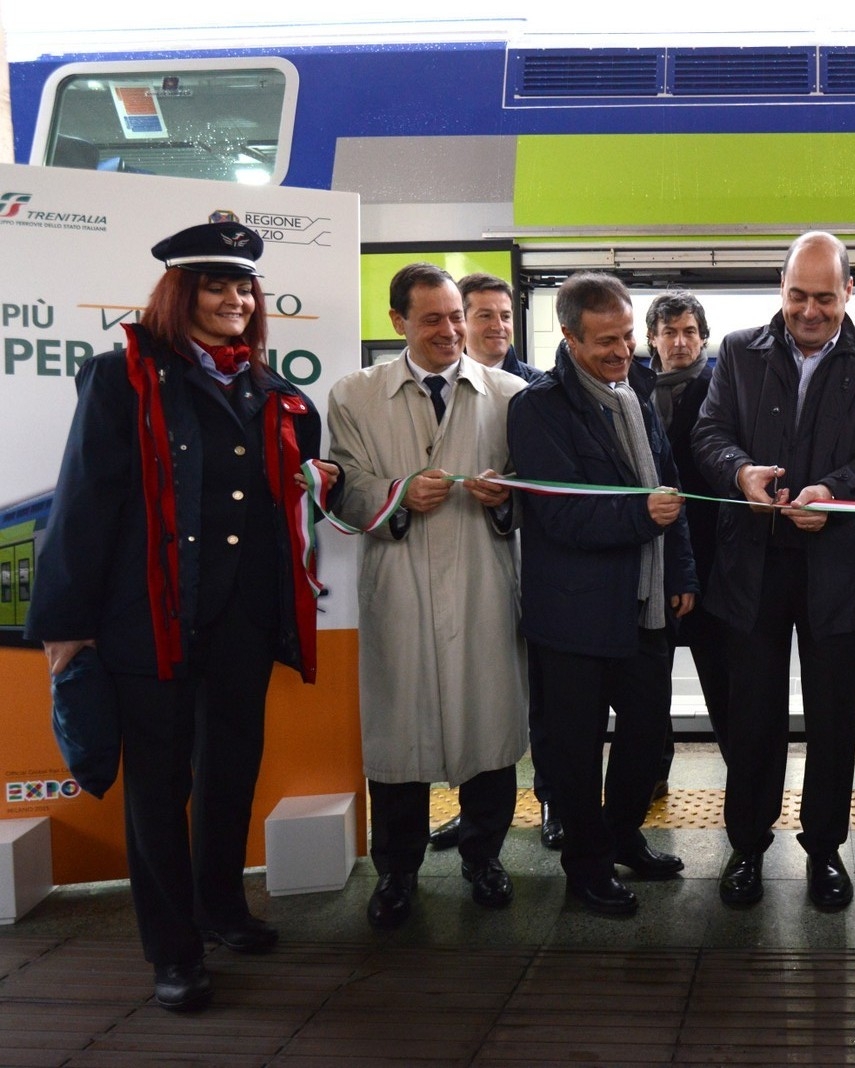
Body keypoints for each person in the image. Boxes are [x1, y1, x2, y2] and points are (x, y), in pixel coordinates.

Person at [26, 221, 339, 1012]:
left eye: (243, 288)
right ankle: (173, 952)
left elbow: (282, 490)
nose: (234, 300)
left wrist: (318, 475)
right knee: (160, 787)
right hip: (150, 618)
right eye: (216, 285)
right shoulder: (121, 378)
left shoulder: (270, 390)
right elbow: (84, 504)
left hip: (240, 617)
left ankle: (221, 908)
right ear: (180, 293)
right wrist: (66, 624)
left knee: (231, 770)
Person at [693, 232, 855, 910]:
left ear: (848, 291)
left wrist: (834, 493)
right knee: (752, 719)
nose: (809, 311)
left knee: (833, 720)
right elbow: (708, 433)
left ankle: (825, 851)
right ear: (780, 289)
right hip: (751, 568)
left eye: (823, 297)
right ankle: (747, 848)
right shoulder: (736, 351)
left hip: (834, 567)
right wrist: (739, 472)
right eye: (796, 295)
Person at [326, 264, 529, 930]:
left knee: (488, 724)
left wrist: (509, 499)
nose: (450, 332)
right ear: (397, 324)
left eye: (455, 317)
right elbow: (345, 486)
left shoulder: (507, 394)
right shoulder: (355, 395)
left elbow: (534, 490)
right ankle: (397, 872)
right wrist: (396, 495)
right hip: (399, 583)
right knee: (398, 735)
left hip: (481, 581)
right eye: (432, 320)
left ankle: (483, 858)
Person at [508, 272, 697, 916]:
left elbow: (671, 488)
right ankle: (586, 866)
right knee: (575, 750)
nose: (622, 352)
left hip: (645, 606)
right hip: (575, 614)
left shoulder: (635, 391)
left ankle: (622, 838)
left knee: (647, 739)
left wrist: (682, 574)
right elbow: (560, 517)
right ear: (567, 336)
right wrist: (646, 518)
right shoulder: (538, 409)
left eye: (626, 337)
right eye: (605, 342)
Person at [429, 272, 565, 853]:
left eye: (505, 316)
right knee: (473, 698)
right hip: (468, 576)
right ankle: (474, 813)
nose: (497, 327)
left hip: (535, 574)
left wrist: (513, 491)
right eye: (483, 315)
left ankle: (554, 802)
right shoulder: (445, 390)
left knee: (544, 701)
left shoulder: (534, 390)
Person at [646, 289, 729, 772]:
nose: (680, 342)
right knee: (650, 680)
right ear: (652, 340)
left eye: (690, 332)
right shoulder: (631, 392)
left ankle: (741, 781)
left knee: (721, 677)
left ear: (703, 338)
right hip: (649, 557)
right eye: (669, 332)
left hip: (711, 560)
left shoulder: (723, 389)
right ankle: (654, 774)